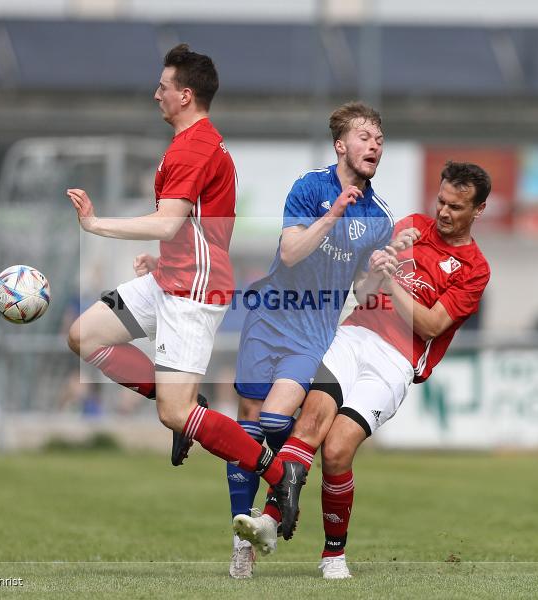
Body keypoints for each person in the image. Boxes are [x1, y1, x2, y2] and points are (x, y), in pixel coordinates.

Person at [65, 43, 299, 520]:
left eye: (163, 87)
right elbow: (190, 227)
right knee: (83, 335)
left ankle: (279, 475)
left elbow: (169, 221)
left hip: (193, 291)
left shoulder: (193, 147)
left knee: (175, 415)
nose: (156, 95)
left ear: (186, 95)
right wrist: (163, 256)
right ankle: (183, 399)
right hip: (173, 276)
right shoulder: (195, 142)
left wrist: (96, 224)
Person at [233, 161, 492, 580]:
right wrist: (379, 266)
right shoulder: (409, 226)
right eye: (441, 201)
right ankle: (267, 521)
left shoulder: (475, 269)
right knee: (310, 423)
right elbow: (362, 290)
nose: (443, 212)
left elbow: (429, 325)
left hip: (395, 361)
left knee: (336, 450)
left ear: (478, 210)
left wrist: (390, 282)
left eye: (456, 207)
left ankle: (333, 555)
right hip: (354, 336)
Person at [225, 102, 398, 578]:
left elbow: (361, 292)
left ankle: (284, 484)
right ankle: (241, 540)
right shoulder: (309, 187)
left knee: (278, 419)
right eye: (365, 137)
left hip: (313, 332)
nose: (375, 146)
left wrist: (378, 277)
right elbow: (289, 251)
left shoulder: (379, 216)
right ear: (341, 145)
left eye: (380, 140)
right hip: (269, 319)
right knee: (247, 427)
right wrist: (331, 217)